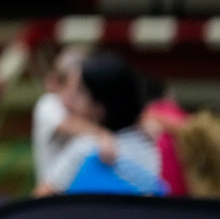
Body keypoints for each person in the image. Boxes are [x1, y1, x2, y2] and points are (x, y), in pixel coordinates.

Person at [35, 51, 164, 196]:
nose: (73, 98)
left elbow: (41, 200)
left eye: (80, 91)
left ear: (98, 108)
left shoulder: (85, 150)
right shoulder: (150, 149)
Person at [31, 44, 116, 185]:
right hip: (55, 194)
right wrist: (103, 134)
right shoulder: (49, 103)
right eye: (77, 88)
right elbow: (67, 124)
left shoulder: (88, 109)